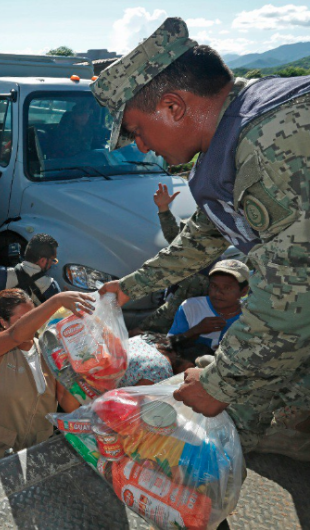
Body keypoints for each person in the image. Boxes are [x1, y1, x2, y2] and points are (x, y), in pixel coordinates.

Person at [92, 17, 310, 456]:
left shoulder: (270, 143)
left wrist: (217, 383)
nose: (141, 147)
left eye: (136, 130)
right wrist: (127, 288)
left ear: (173, 107)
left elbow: (293, 298)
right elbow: (200, 241)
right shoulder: (231, 141)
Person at [0, 288, 93, 473]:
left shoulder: (48, 350)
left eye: (34, 315)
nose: (33, 323)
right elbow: (16, 335)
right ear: (3, 322)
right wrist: (57, 301)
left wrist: (75, 368)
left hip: (34, 448)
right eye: (23, 319)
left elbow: (68, 405)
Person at [135, 183, 211, 334]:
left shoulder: (198, 277)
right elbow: (173, 236)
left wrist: (140, 329)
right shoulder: (195, 251)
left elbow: (169, 312)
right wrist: (163, 208)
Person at [168, 260, 249, 349]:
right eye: (214, 286)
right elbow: (168, 346)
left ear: (244, 291)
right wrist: (195, 330)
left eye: (227, 288)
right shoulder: (191, 307)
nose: (217, 293)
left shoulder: (253, 317)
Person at [0, 233, 61, 304]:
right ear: (43, 261)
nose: (53, 263)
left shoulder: (1, 274)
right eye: (53, 260)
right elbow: (58, 316)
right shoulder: (51, 286)